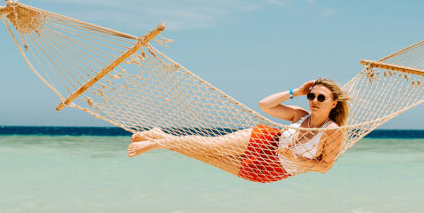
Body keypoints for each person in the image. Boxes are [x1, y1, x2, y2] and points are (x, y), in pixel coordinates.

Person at [127, 79, 349, 182]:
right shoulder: (301, 115)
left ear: (333, 104)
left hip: (272, 169)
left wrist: (297, 160)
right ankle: (159, 140)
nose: (314, 100)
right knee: (210, 146)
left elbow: (325, 167)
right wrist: (296, 91)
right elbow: (265, 105)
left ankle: (159, 138)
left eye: (321, 97)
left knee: (204, 156)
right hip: (264, 141)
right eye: (312, 95)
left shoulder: (333, 131)